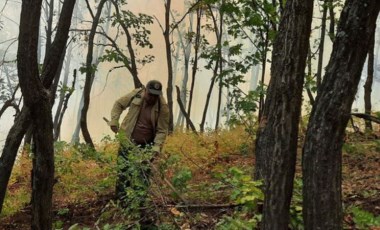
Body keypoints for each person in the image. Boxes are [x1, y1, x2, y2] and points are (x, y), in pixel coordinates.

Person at [109, 79, 169, 207]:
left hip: (146, 147)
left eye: (155, 95)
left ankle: (140, 204)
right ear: (145, 90)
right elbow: (119, 104)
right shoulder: (136, 94)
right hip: (127, 141)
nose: (152, 97)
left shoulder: (163, 107)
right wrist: (114, 120)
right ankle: (121, 203)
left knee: (142, 175)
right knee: (123, 173)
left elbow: (162, 130)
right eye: (150, 94)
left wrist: (156, 147)